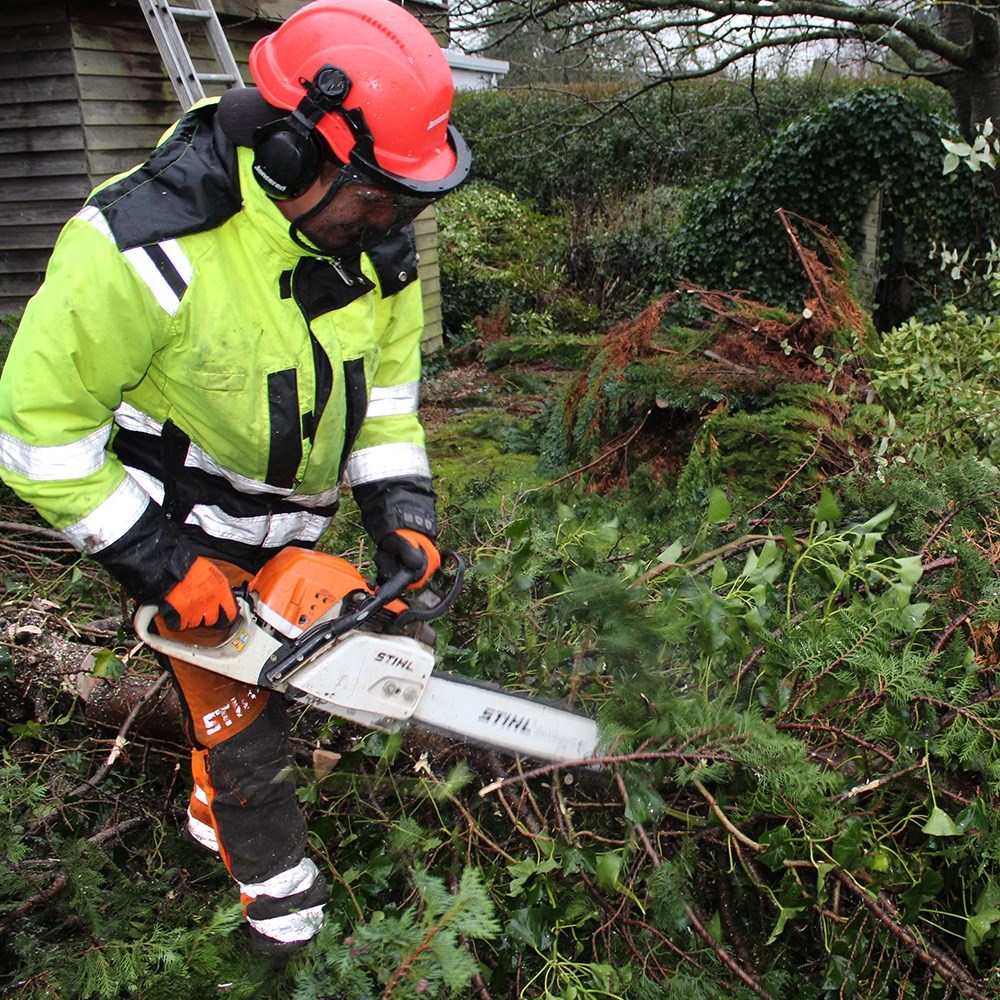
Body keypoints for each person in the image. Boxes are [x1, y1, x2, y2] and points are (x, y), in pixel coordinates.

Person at [0, 0, 470, 959]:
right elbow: (36, 437)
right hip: (170, 516)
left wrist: (402, 510)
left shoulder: (372, 244)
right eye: (376, 195)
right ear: (295, 157)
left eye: (406, 200)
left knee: (366, 644)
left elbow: (385, 397)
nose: (392, 221)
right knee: (247, 732)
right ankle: (278, 924)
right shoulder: (137, 247)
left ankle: (221, 795)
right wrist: (158, 561)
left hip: (292, 519)